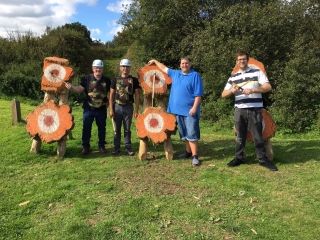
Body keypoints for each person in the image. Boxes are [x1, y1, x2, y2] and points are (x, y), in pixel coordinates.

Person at [221, 51, 278, 171]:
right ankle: (239, 157)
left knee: (258, 135)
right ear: (236, 61)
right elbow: (223, 94)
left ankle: (263, 159)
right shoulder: (233, 77)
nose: (241, 61)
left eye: (244, 59)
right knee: (240, 136)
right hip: (239, 110)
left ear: (247, 60)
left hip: (254, 108)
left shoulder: (257, 72)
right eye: (239, 59)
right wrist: (232, 91)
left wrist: (253, 91)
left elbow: (268, 87)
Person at [148, 57, 204, 166]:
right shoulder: (175, 74)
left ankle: (195, 156)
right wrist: (155, 61)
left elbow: (198, 94)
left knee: (192, 133)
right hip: (178, 111)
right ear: (180, 65)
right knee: (184, 133)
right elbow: (164, 68)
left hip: (190, 111)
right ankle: (188, 152)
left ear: (190, 64)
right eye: (182, 63)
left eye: (186, 63)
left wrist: (194, 108)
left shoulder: (195, 76)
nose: (184, 65)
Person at [65, 59, 111, 154]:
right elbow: (80, 89)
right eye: (96, 68)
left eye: (100, 68)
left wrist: (109, 102)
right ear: (93, 68)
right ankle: (85, 147)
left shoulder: (107, 80)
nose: (98, 69)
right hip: (88, 109)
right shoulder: (86, 78)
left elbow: (112, 93)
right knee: (86, 128)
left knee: (102, 128)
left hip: (102, 109)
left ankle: (101, 146)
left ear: (102, 69)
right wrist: (72, 87)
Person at [109, 59, 140, 156]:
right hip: (117, 107)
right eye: (123, 66)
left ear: (129, 68)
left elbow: (137, 95)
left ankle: (128, 147)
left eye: (127, 66)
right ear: (120, 68)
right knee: (117, 129)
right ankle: (116, 147)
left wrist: (136, 110)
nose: (125, 68)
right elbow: (111, 95)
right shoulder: (115, 80)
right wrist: (111, 109)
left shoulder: (134, 80)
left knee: (127, 129)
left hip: (128, 107)